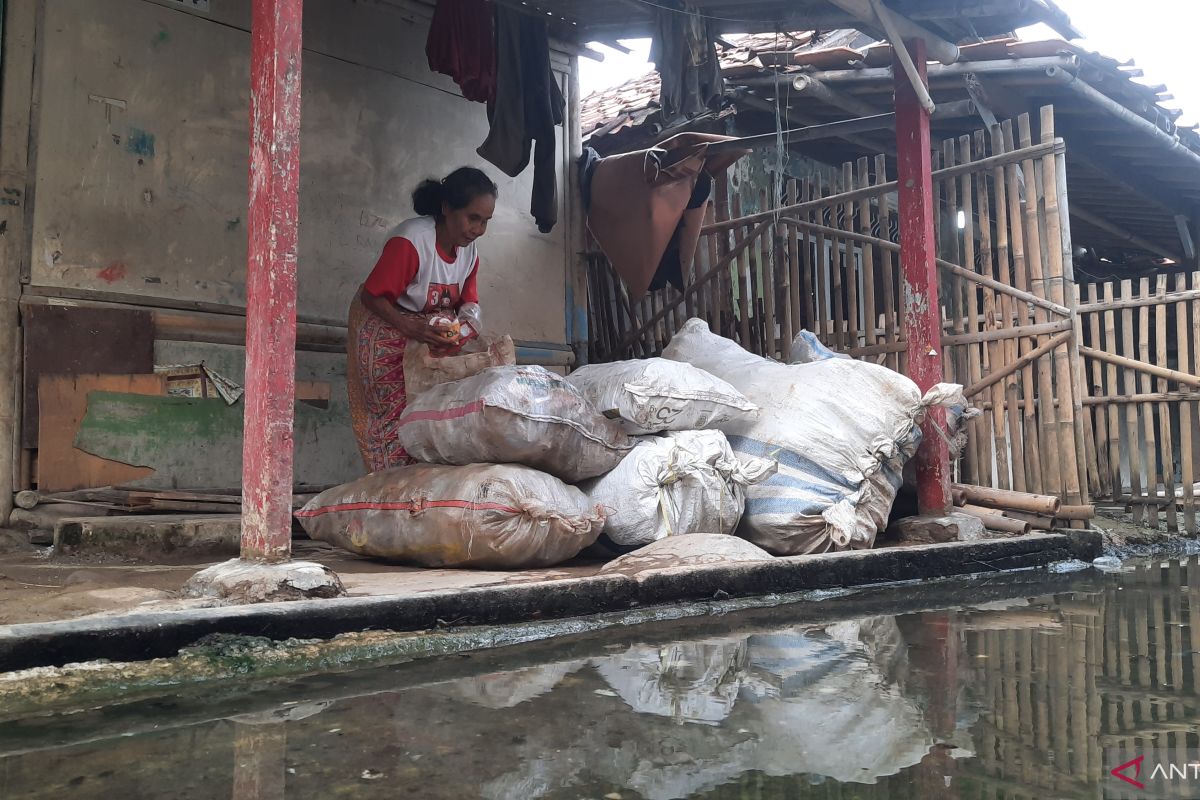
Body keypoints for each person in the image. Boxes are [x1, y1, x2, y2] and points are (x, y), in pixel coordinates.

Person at [347, 167, 497, 472]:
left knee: (431, 415)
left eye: (485, 222)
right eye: (473, 218)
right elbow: (372, 296)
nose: (478, 229)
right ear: (446, 208)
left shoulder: (470, 253)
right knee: (393, 417)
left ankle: (423, 490)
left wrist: (465, 326)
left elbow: (469, 301)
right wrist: (408, 326)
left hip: (426, 330)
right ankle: (388, 485)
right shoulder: (412, 241)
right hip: (386, 320)